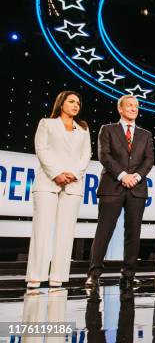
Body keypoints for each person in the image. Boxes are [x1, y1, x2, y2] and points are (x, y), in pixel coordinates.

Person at [85, 95, 154, 289]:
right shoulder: (107, 129)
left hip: (137, 189)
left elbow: (149, 160)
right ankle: (94, 273)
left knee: (133, 232)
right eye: (130, 106)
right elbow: (104, 155)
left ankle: (129, 274)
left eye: (136, 106)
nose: (134, 109)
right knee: (104, 230)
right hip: (112, 187)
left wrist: (136, 177)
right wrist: (123, 175)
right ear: (120, 110)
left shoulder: (146, 134)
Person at [26, 91, 92, 288]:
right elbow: (41, 149)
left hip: (73, 184)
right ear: (61, 103)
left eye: (78, 103)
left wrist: (74, 174)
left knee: (65, 231)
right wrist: (56, 173)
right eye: (71, 101)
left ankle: (58, 276)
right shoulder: (47, 123)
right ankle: (35, 275)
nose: (75, 105)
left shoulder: (83, 128)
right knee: (42, 229)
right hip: (48, 181)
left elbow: (86, 154)